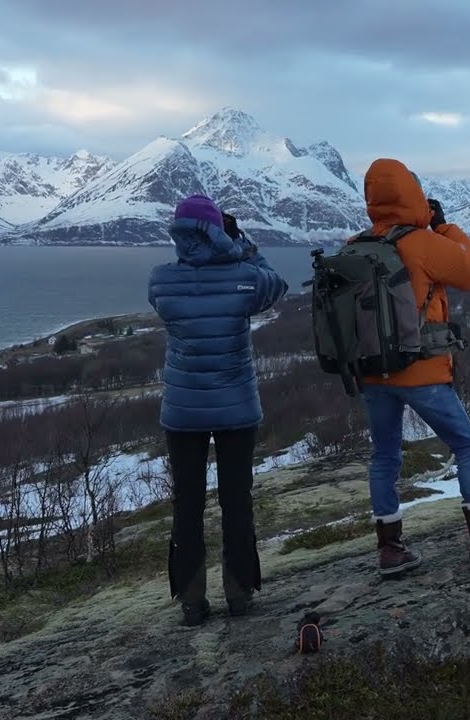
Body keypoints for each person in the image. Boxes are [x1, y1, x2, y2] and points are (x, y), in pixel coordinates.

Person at [352, 158, 470, 577]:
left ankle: (391, 551)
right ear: (411, 194)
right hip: (423, 373)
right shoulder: (422, 243)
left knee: (385, 456)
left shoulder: (353, 246)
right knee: (465, 446)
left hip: (373, 374)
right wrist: (441, 226)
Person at [147, 194, 289, 625]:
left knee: (186, 504)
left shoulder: (160, 281)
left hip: (183, 411)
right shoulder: (243, 278)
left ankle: (191, 601)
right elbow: (275, 283)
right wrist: (241, 242)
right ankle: (240, 593)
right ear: (217, 232)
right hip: (236, 410)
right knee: (236, 500)